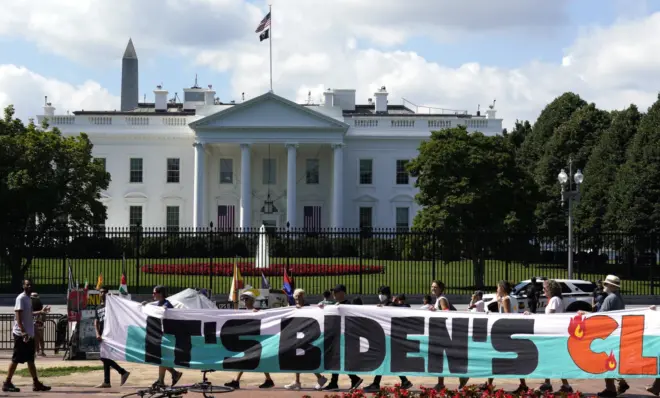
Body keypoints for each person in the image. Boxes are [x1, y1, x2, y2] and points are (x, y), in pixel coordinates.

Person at [2, 279, 51, 392]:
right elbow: (18, 316)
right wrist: (23, 331)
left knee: (30, 359)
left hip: (29, 334)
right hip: (21, 334)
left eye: (30, 284)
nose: (29, 286)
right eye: (26, 284)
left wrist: (41, 312)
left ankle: (36, 383)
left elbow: (28, 313)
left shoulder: (28, 298)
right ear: (23, 286)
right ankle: (7, 383)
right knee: (16, 359)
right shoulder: (21, 298)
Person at [479, 280, 528, 394]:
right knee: (507, 359)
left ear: (502, 288)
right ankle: (522, 384)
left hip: (505, 332)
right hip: (512, 331)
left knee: (495, 358)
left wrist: (499, 302)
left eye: (497, 288)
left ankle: (490, 384)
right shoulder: (513, 298)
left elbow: (506, 315)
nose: (496, 290)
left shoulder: (506, 299)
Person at [363, 286, 413, 393]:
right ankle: (404, 381)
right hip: (385, 338)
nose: (380, 295)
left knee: (384, 361)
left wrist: (392, 304)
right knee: (388, 361)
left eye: (382, 293)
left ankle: (376, 384)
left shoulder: (391, 305)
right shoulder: (384, 305)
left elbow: (405, 308)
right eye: (379, 293)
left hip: (390, 338)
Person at [224, 291, 275, 390]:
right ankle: (268, 380)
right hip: (247, 340)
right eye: (243, 299)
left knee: (250, 360)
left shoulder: (257, 311)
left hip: (256, 340)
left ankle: (236, 381)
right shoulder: (243, 311)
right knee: (248, 360)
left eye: (246, 299)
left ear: (252, 300)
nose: (244, 301)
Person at [321, 284, 363, 392]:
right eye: (333, 292)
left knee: (339, 359)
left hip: (346, 337)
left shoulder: (348, 305)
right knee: (337, 360)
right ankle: (348, 380)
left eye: (336, 291)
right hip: (337, 336)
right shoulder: (335, 305)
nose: (333, 294)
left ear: (342, 293)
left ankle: (348, 380)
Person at [428, 280, 468, 391]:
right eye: (432, 287)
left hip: (445, 334)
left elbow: (446, 312)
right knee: (441, 358)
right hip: (442, 333)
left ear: (441, 289)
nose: (433, 289)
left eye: (435, 287)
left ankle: (462, 376)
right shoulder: (438, 299)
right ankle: (441, 383)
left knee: (447, 358)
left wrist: (435, 311)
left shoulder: (442, 299)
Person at [284, 289, 328, 391]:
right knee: (297, 359)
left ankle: (319, 378)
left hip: (307, 337)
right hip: (296, 337)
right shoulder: (292, 307)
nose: (297, 299)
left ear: (303, 296)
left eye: (299, 296)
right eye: (295, 297)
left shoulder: (308, 307)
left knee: (306, 359)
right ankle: (298, 381)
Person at [595, 275, 628, 397]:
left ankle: (611, 388)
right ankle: (619, 382)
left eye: (606, 284)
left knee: (606, 361)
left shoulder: (610, 299)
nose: (604, 287)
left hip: (608, 334)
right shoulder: (618, 297)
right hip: (615, 333)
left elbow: (601, 316)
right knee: (612, 360)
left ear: (611, 286)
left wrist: (586, 314)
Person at [537, 280, 572, 393]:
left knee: (554, 360)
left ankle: (565, 386)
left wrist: (534, 317)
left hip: (553, 335)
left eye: (545, 288)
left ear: (550, 289)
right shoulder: (555, 300)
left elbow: (550, 316)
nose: (543, 290)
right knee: (549, 359)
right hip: (553, 334)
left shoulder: (554, 300)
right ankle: (548, 383)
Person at [144, 286, 183, 388]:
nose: (153, 295)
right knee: (161, 357)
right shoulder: (157, 304)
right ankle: (172, 374)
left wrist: (160, 309)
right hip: (162, 335)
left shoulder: (166, 304)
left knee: (162, 357)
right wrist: (145, 306)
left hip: (169, 336)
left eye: (154, 292)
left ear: (160, 293)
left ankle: (163, 379)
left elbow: (163, 311)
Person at [95, 286, 130, 388]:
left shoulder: (112, 306)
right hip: (101, 335)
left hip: (110, 334)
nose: (103, 294)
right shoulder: (98, 307)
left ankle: (122, 372)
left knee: (103, 357)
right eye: (101, 292)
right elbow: (96, 321)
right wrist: (97, 333)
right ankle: (108, 381)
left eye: (105, 292)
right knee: (105, 357)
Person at [30, 292, 47, 357]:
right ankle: (36, 351)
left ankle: (41, 351)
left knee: (40, 338)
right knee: (35, 338)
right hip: (33, 323)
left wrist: (44, 314)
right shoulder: (30, 304)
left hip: (39, 323)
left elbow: (44, 317)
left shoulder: (39, 304)